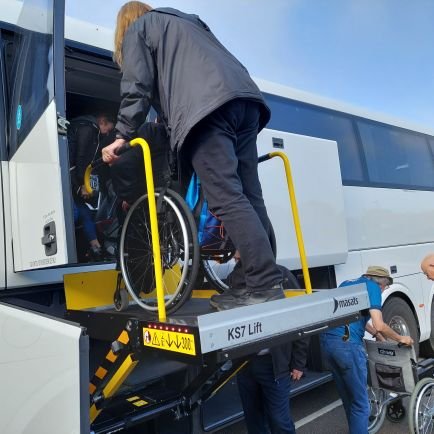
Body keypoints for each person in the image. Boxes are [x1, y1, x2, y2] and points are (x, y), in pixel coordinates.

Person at [102, 2, 284, 310]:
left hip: (207, 110)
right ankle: (248, 282)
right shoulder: (188, 22)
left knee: (225, 196)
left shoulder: (138, 30)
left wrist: (121, 135)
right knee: (250, 196)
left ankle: (264, 282)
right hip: (245, 101)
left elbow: (137, 88)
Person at [320, 266, 414, 434]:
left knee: (349, 399)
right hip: (347, 347)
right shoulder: (372, 288)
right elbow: (379, 323)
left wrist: (378, 336)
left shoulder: (347, 283)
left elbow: (356, 318)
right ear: (382, 283)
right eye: (385, 287)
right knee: (361, 404)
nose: (384, 290)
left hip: (328, 344)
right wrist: (401, 338)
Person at [69, 113, 115, 261]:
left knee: (85, 213)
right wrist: (81, 185)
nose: (107, 132)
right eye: (108, 128)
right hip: (69, 179)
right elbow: (80, 158)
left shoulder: (89, 130)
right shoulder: (87, 129)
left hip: (74, 179)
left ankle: (97, 248)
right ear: (102, 121)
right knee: (75, 214)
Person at [238, 338, 308, 434]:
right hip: (244, 363)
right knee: (254, 420)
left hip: (275, 364)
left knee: (279, 421)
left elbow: (300, 327)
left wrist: (298, 363)